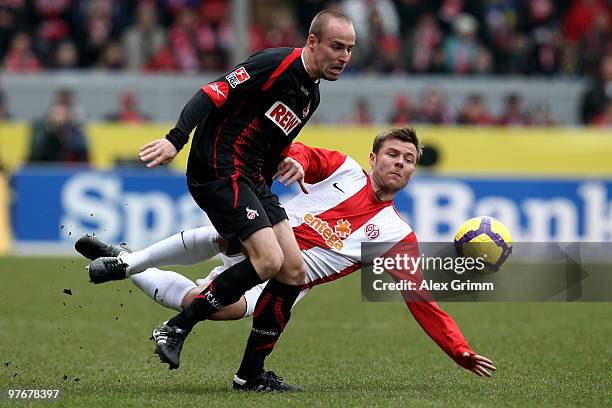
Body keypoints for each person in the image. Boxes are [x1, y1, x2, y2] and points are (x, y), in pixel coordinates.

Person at [78, 129, 496, 391]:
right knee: (230, 237)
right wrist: (293, 159)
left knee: (201, 305)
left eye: (408, 160)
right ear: (374, 158)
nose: (399, 163)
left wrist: (458, 350)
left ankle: (126, 259)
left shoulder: (397, 237)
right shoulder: (345, 170)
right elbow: (306, 155)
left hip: (283, 283)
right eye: (392, 155)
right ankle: (130, 264)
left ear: (412, 172)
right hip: (266, 239)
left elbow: (421, 300)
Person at [89, 9, 356, 391]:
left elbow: (271, 144)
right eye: (337, 46)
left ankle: (250, 374)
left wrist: (286, 164)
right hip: (219, 165)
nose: (344, 57)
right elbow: (211, 93)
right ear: (312, 42)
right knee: (268, 260)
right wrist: (174, 139)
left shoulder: (309, 95)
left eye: (349, 49)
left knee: (293, 272)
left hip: (252, 178)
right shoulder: (274, 63)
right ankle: (177, 327)